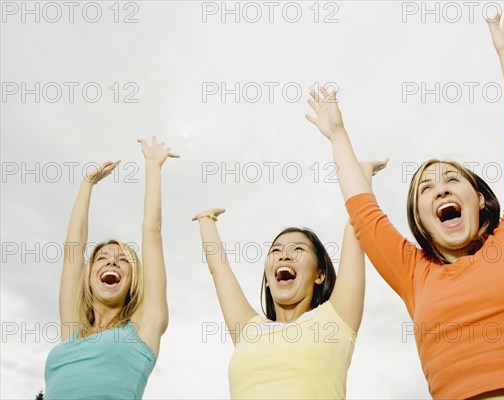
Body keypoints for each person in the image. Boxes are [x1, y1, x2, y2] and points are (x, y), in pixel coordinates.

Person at [305, 12, 504, 400]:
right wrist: (337, 135)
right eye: (426, 190)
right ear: (420, 221)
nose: (440, 191)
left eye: (452, 180)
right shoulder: (415, 275)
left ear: (480, 199)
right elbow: (364, 215)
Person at [192, 161, 385, 399]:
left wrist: (363, 174)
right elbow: (219, 271)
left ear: (319, 274)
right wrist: (206, 220)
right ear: (266, 281)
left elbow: (357, 226)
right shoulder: (249, 329)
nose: (284, 254)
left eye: (298, 249)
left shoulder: (335, 320)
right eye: (275, 250)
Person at [44, 137, 178, 399]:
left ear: (132, 282)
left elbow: (152, 231)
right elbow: (73, 250)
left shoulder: (143, 327)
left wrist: (153, 166)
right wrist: (87, 184)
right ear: (90, 276)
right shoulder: (73, 328)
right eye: (102, 258)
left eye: (123, 259)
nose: (112, 261)